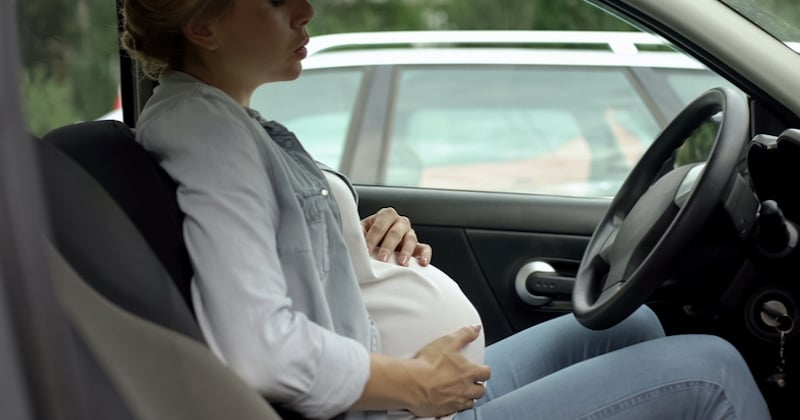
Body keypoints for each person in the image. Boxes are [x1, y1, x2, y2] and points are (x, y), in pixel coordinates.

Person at [120, 0, 772, 419]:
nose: (305, 10)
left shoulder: (231, 121)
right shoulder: (203, 133)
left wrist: (352, 236)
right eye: (275, 0)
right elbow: (260, 350)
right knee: (711, 370)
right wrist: (414, 385)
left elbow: (281, 247)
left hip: (419, 394)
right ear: (202, 26)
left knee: (630, 328)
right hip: (398, 408)